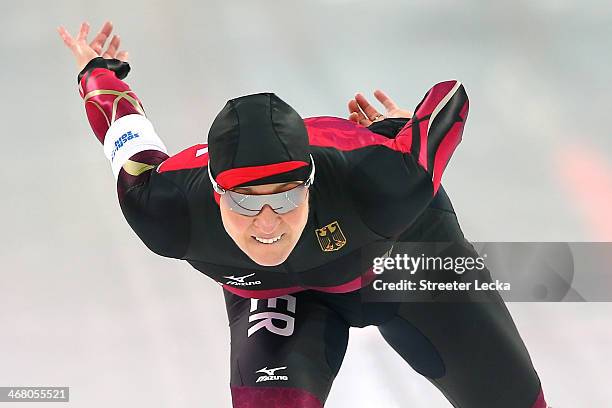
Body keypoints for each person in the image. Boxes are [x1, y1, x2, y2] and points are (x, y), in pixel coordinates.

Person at [58, 21, 549, 408]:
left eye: (287, 197)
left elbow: (450, 99)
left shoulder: (382, 184)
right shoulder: (165, 209)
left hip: (406, 259)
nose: (268, 223)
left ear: (312, 184)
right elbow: (128, 137)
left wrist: (400, 132)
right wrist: (97, 71)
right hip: (284, 295)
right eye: (247, 202)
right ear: (214, 195)